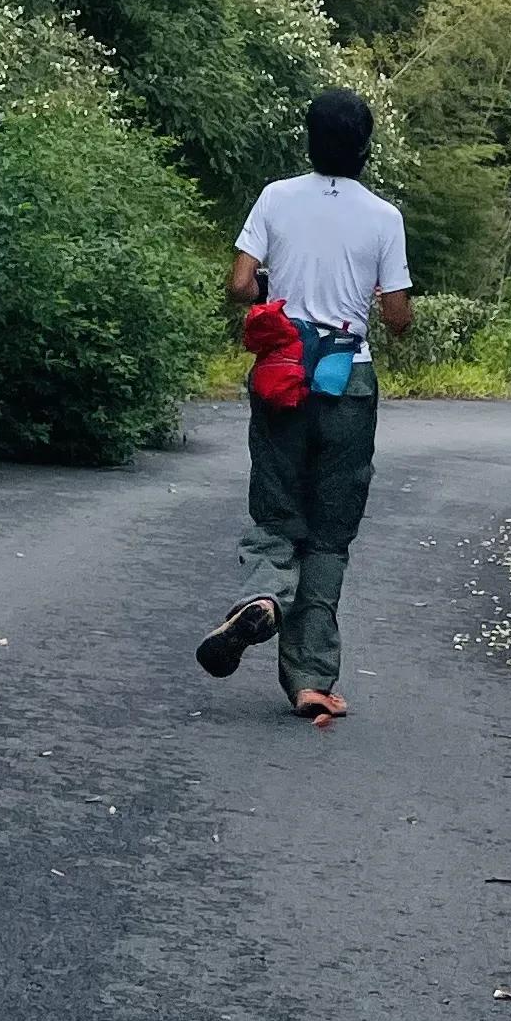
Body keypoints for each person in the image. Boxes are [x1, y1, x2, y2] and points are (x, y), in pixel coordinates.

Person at [195, 86, 411, 727]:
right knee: (329, 535)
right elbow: (397, 317)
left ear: (309, 140)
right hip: (348, 384)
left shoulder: (275, 197)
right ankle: (312, 681)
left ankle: (260, 597)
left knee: (275, 509)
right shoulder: (384, 216)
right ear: (365, 148)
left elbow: (239, 284)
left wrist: (272, 287)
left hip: (281, 378)